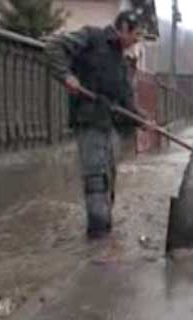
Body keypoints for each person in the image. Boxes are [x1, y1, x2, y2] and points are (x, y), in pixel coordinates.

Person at [45, 11, 146, 238]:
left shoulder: (122, 63)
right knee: (96, 180)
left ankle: (104, 232)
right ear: (123, 28)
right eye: (136, 35)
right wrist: (66, 76)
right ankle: (98, 240)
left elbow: (127, 102)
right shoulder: (92, 37)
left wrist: (143, 119)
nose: (137, 41)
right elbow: (53, 46)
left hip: (109, 127)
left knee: (109, 180)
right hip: (89, 122)